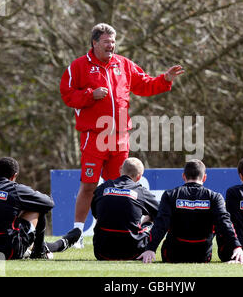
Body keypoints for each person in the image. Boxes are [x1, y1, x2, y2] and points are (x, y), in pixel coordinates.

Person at [59, 23, 184, 246]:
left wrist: (164, 79)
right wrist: (90, 95)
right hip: (94, 135)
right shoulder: (78, 66)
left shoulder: (123, 64)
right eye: (107, 42)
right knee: (89, 185)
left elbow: (144, 84)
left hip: (120, 137)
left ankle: (113, 229)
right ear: (95, 42)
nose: (111, 46)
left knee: (119, 187)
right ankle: (77, 233)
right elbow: (67, 95)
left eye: (113, 41)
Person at [138, 159, 243, 264]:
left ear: (184, 176)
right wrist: (236, 247)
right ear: (204, 178)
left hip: (172, 256)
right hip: (202, 256)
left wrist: (150, 249)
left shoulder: (170, 195)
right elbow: (225, 224)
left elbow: (161, 224)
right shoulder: (215, 197)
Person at [0, 157, 54, 260]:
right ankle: (39, 252)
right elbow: (48, 203)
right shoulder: (15, 189)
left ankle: (38, 250)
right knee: (37, 208)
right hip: (7, 252)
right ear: (14, 176)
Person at [91, 157, 159, 260]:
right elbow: (161, 214)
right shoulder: (141, 192)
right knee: (152, 217)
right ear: (139, 177)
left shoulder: (102, 188)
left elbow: (95, 213)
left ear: (120, 170)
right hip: (133, 253)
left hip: (101, 252)